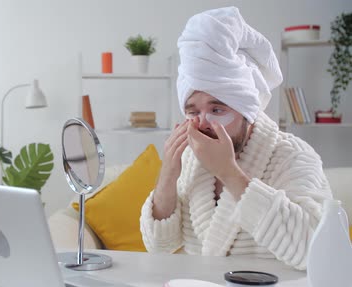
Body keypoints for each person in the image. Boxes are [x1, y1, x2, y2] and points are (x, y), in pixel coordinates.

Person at [139, 7, 332, 270]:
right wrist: (168, 176)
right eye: (193, 111)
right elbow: (160, 247)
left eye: (217, 109)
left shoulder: (294, 156)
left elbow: (317, 251)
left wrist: (230, 173)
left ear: (247, 112)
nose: (203, 123)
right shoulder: (190, 160)